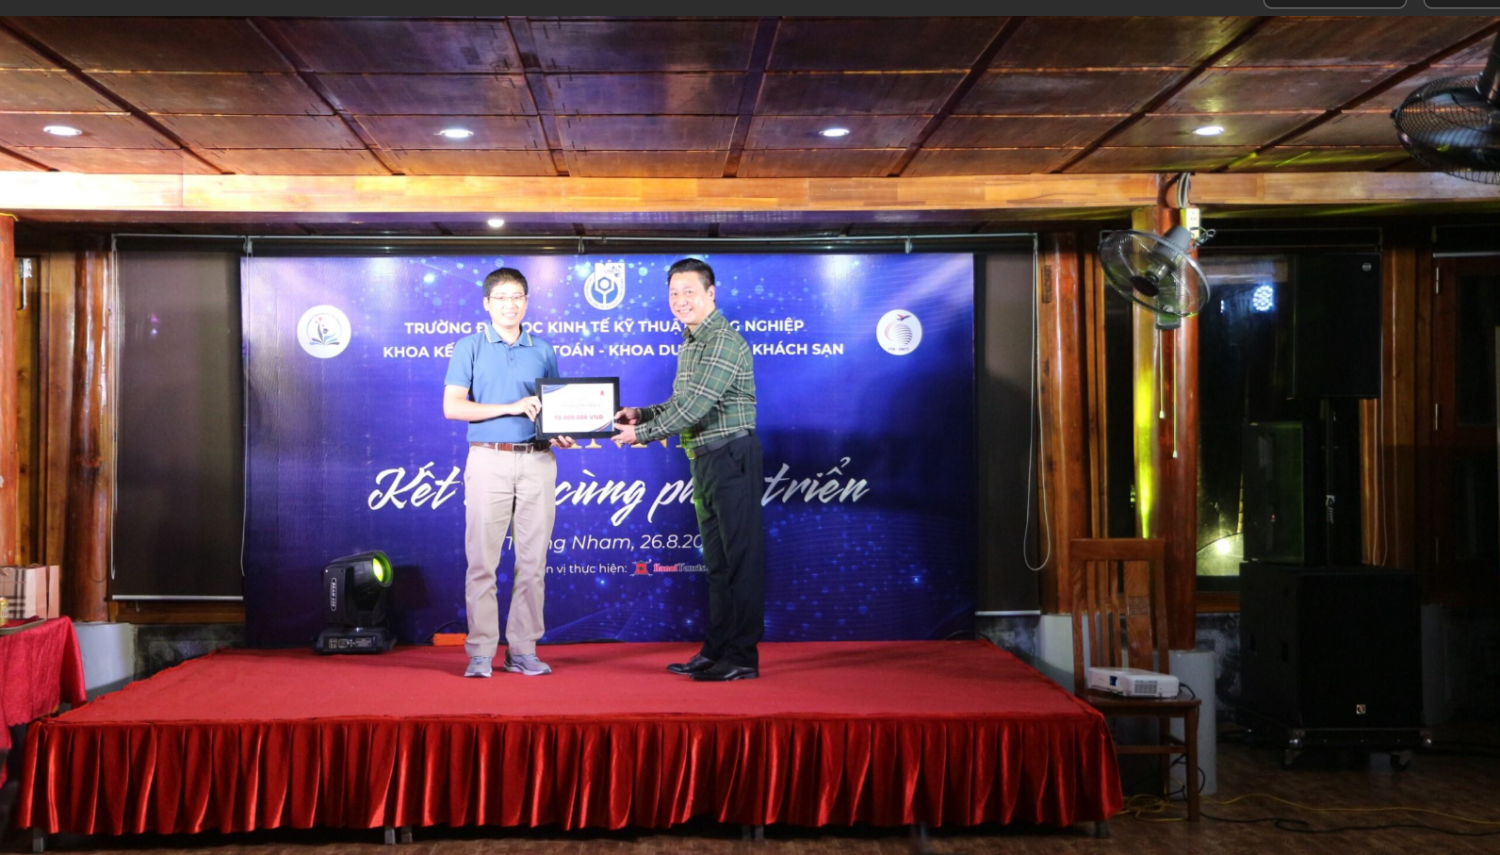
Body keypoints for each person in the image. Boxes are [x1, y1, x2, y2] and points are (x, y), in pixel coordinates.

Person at [614, 258, 764, 682]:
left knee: (741, 562)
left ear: (710, 294)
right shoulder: (692, 340)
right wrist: (642, 414)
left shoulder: (722, 340)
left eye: (689, 292)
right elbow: (682, 401)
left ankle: (742, 657)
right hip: (705, 459)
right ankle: (716, 650)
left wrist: (641, 435)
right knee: (717, 564)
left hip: (732, 456)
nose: (680, 300)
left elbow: (695, 407)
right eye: (674, 293)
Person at [443, 267, 574, 679]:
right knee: (482, 561)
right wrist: (511, 406)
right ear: (487, 303)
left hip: (537, 460)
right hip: (489, 459)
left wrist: (561, 432)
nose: (510, 304)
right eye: (501, 297)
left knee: (533, 562)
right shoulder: (469, 347)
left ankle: (523, 649)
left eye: (517, 296)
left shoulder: (543, 349)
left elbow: (554, 411)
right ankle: (481, 651)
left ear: (527, 301)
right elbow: (453, 406)